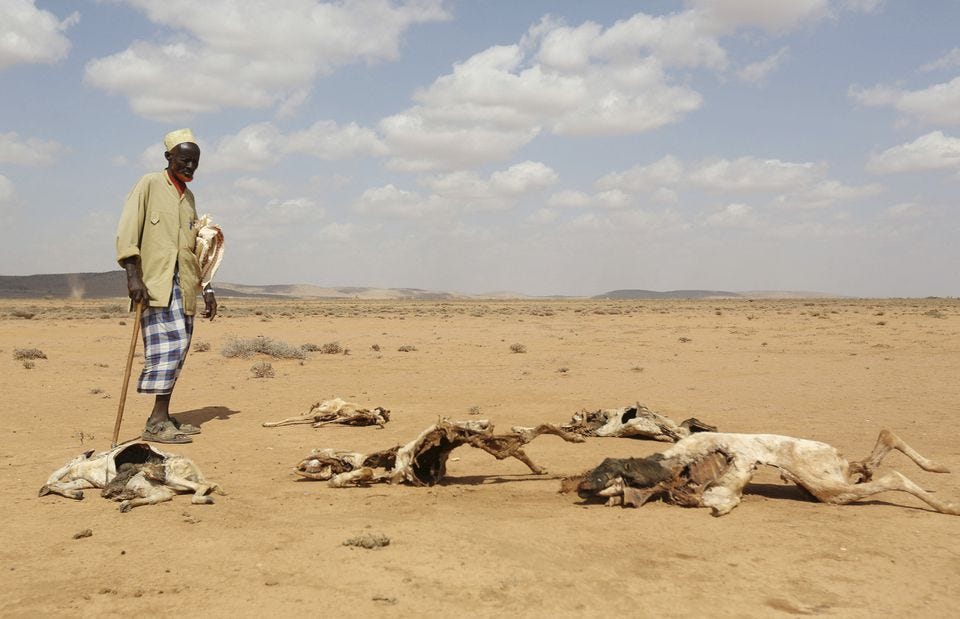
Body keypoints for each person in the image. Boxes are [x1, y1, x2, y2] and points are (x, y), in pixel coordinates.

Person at [115, 128, 217, 444]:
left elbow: (195, 248)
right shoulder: (148, 184)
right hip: (154, 284)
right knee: (166, 348)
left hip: (184, 284)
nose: (190, 168)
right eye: (185, 161)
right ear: (168, 157)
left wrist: (208, 287)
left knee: (180, 347)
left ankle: (163, 415)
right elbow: (128, 230)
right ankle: (156, 422)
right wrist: (133, 276)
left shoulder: (188, 199)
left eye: (195, 163)